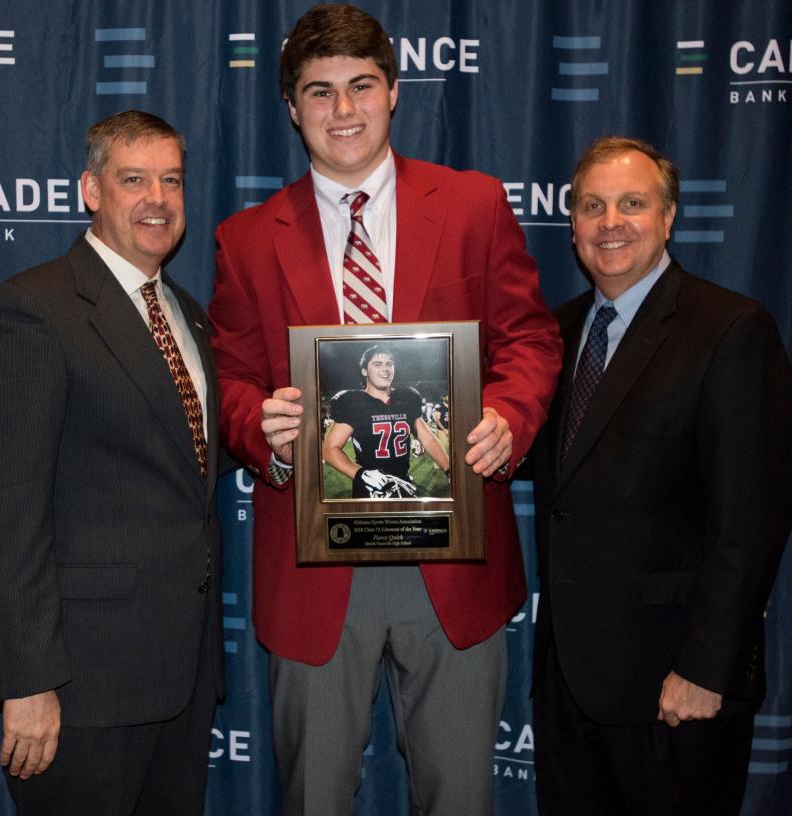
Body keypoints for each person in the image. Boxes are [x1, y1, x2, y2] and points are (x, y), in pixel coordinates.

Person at [208, 5, 562, 813]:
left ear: (394, 92)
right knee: (314, 799)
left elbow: (531, 340)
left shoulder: (473, 206)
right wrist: (262, 427)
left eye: (361, 86)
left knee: (460, 798)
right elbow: (226, 381)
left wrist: (507, 415)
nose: (343, 111)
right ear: (292, 108)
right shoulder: (247, 238)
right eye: (320, 91)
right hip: (312, 566)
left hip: (454, 557)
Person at [531, 136, 792, 815]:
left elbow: (750, 522)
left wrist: (705, 670)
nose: (610, 222)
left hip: (673, 688)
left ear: (670, 216)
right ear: (572, 226)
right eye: (592, 206)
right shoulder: (554, 337)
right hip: (569, 685)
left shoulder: (730, 329)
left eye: (632, 203)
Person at [0, 110, 226, 815]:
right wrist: (27, 681)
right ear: (89, 189)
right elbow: (6, 509)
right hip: (82, 686)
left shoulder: (188, 314)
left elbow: (182, 468)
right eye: (133, 179)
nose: (157, 199)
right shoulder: (32, 311)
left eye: (171, 180)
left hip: (183, 674)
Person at [323, 345, 450, 498]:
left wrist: (450, 471)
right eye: (377, 364)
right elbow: (330, 449)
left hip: (402, 482)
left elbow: (428, 438)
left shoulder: (406, 397)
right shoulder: (354, 402)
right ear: (364, 370)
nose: (385, 369)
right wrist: (361, 474)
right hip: (370, 487)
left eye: (389, 364)